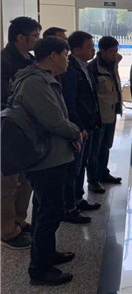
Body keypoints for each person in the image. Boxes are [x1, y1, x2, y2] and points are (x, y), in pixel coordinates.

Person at [10, 36, 82, 285]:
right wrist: (76, 132)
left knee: (45, 210)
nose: (67, 61)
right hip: (46, 159)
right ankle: (40, 269)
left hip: (52, 156)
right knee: (49, 213)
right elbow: (54, 121)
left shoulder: (43, 79)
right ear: (53, 56)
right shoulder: (34, 83)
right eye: (65, 55)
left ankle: (47, 254)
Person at [1, 16, 41, 250]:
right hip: (10, 130)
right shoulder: (4, 61)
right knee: (9, 182)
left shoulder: (31, 60)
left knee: (26, 179)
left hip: (30, 130)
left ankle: (19, 219)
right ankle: (7, 230)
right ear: (20, 37)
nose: (37, 40)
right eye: (34, 36)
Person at [60, 31, 102, 224]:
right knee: (73, 169)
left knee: (82, 165)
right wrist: (80, 127)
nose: (93, 50)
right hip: (80, 127)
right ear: (76, 50)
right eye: (89, 47)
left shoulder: (86, 67)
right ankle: (69, 207)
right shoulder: (70, 70)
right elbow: (70, 103)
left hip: (90, 124)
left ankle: (78, 199)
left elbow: (91, 97)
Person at [88, 36, 123, 193]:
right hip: (99, 116)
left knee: (106, 146)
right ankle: (93, 180)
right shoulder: (93, 68)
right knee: (95, 149)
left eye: (116, 50)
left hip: (111, 113)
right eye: (111, 51)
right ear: (102, 51)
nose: (115, 53)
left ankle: (103, 173)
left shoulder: (112, 64)